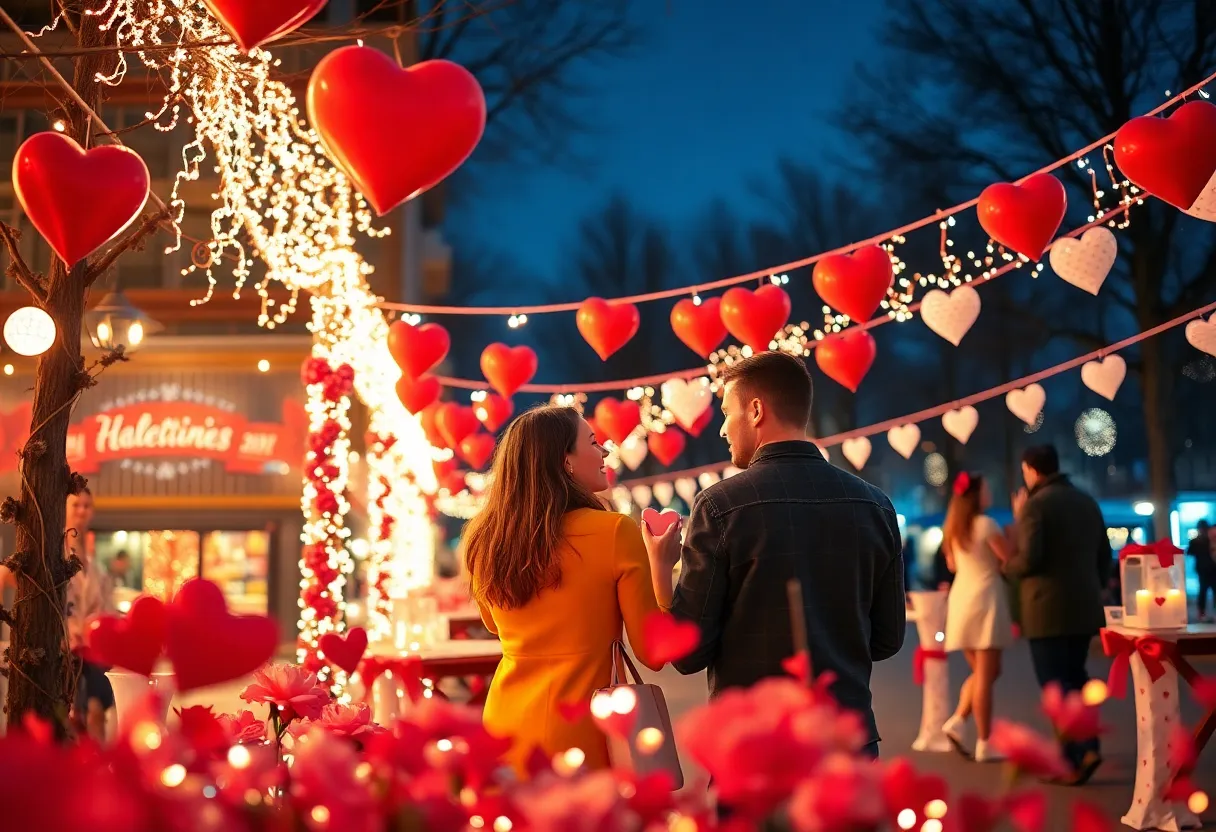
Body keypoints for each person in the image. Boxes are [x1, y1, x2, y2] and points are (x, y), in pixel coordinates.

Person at [644, 351, 906, 761]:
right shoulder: (875, 505)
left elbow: (688, 654)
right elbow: (888, 638)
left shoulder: (719, 506)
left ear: (755, 410)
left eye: (727, 413)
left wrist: (661, 572)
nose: (723, 430)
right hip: (847, 738)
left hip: (754, 743)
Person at [462, 405, 667, 775]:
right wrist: (662, 568)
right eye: (592, 442)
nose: (604, 451)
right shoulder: (615, 532)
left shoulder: (485, 539)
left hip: (504, 728)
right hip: (583, 731)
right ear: (565, 461)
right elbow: (653, 652)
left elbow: (494, 625)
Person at [1007, 445, 1109, 784]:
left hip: (1046, 610)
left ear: (1032, 470)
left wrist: (1007, 563)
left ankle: (1072, 758)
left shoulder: (1036, 506)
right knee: (1076, 677)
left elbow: (1030, 559)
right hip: (1083, 608)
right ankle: (1086, 747)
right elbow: (1104, 557)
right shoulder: (1086, 501)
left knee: (1055, 685)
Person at [940, 472, 1013, 763]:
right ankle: (984, 741)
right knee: (986, 674)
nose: (989, 493)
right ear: (976, 495)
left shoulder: (954, 529)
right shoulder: (986, 524)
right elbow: (1008, 558)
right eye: (986, 489)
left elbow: (953, 565)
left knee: (986, 672)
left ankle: (958, 720)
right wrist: (1017, 526)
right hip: (985, 600)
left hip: (962, 600)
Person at [65, 487, 116, 740]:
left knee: (97, 708)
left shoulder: (96, 564)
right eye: (76, 505)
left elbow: (106, 607)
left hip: (92, 648)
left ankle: (98, 764)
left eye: (87, 506)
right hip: (63, 647)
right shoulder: (55, 555)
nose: (82, 511)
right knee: (66, 713)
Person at [1188, 520, 1214, 622]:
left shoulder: (1201, 541)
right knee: (1203, 591)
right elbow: (1190, 552)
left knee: (1204, 591)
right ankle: (1202, 613)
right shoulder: (1198, 541)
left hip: (1207, 569)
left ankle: (1203, 613)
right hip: (1205, 569)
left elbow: (1190, 552)